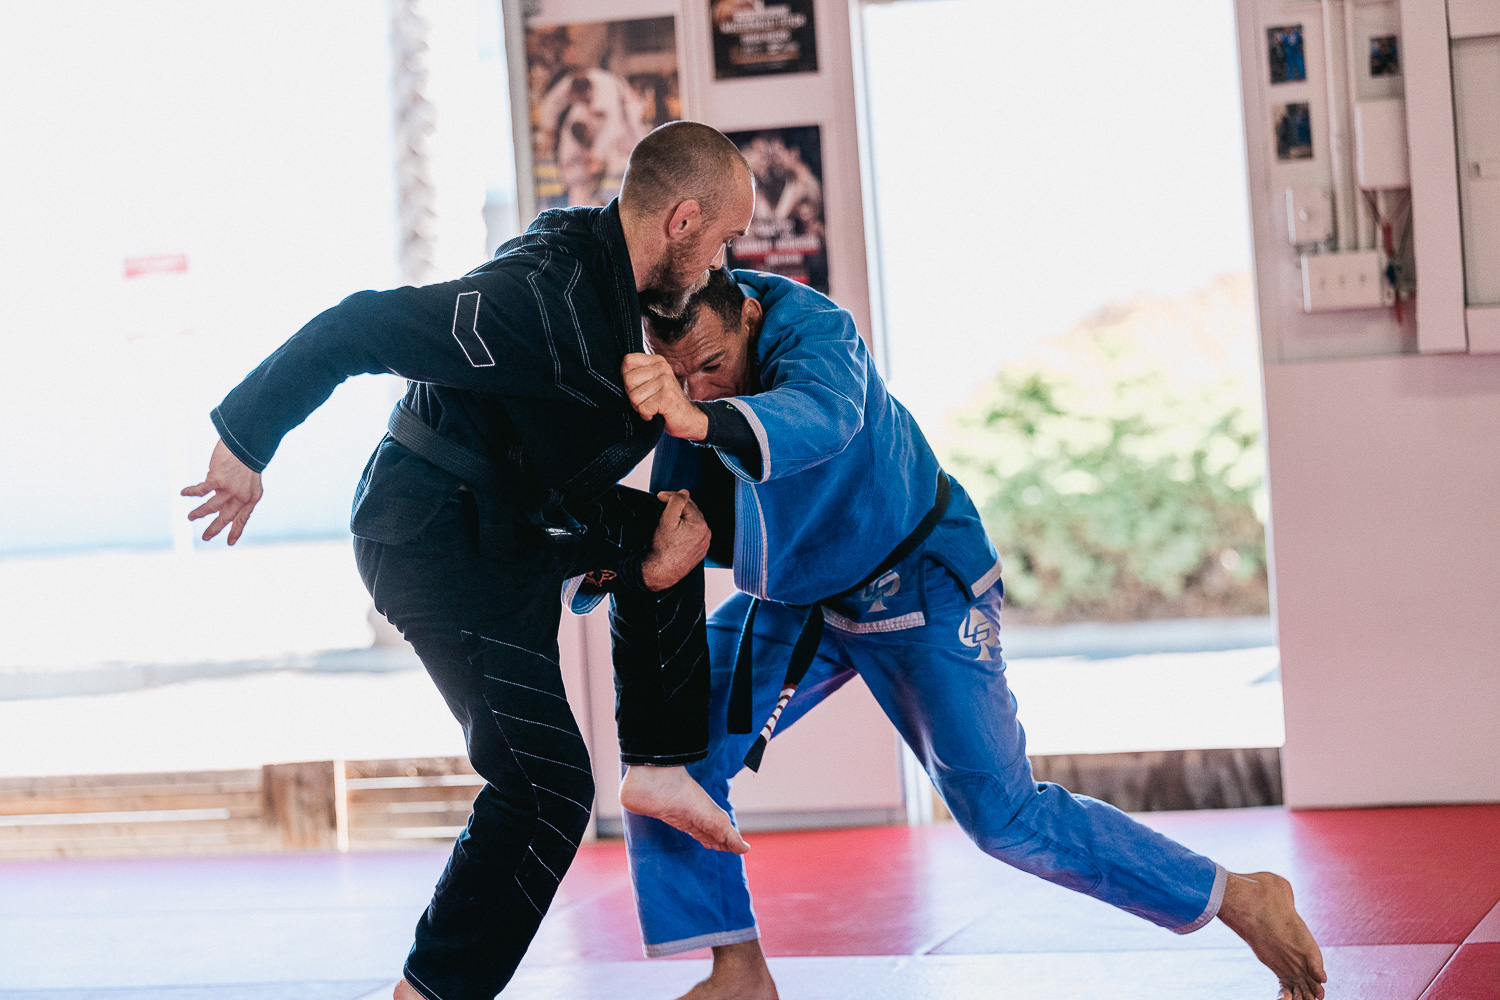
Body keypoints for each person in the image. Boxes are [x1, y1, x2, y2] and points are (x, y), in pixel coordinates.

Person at [610, 268, 1329, 1000]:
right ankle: (737, 970)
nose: (698, 389)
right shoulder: (685, 390)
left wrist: (696, 419)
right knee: (668, 754)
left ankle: (1239, 896)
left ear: (751, 319)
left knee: (1003, 817)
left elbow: (817, 419)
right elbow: (685, 529)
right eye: (677, 375)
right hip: (804, 594)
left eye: (711, 367)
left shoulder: (815, 332)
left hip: (916, 582)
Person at [180, 122, 756, 1000]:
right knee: (547, 790)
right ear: (681, 220)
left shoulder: (616, 287)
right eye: (720, 241)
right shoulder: (540, 297)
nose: (722, 264)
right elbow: (360, 325)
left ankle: (660, 762)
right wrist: (244, 438)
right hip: (436, 539)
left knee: (675, 525)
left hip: (512, 531)